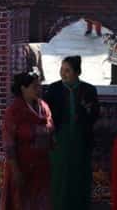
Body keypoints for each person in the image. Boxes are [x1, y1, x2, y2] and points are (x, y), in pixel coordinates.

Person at [44, 57, 100, 210]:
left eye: (67, 70)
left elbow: (95, 114)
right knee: (60, 175)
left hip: (81, 138)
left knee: (79, 174)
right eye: (62, 69)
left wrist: (86, 110)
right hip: (59, 138)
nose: (63, 73)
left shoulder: (88, 90)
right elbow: (46, 114)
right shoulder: (53, 89)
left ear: (77, 72)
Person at [0, 69, 54, 210]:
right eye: (34, 86)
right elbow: (9, 145)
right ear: (23, 88)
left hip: (42, 167)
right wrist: (15, 171)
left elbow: (51, 132)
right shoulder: (13, 112)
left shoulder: (44, 107)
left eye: (39, 85)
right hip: (22, 166)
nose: (38, 89)